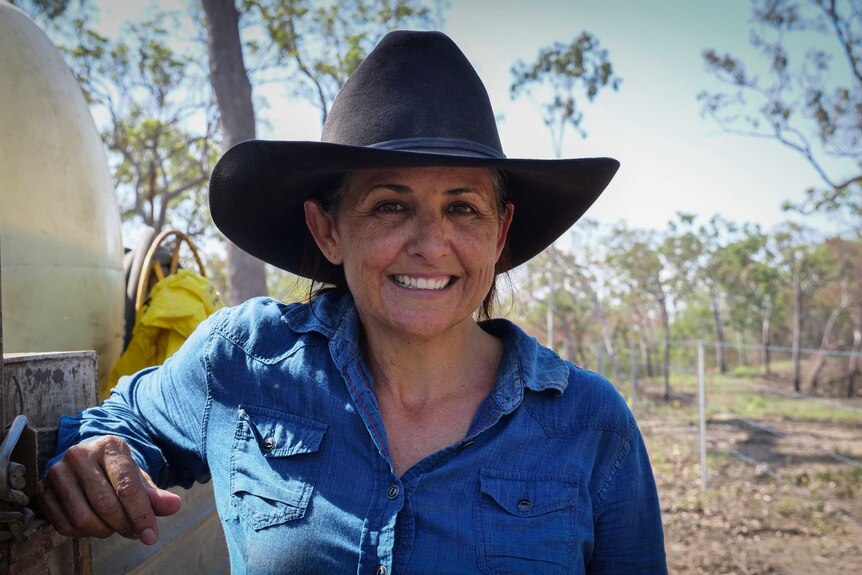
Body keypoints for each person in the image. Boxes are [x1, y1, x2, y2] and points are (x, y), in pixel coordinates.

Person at [39, 30, 667, 574]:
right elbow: (120, 425)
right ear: (329, 230)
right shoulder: (243, 362)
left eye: (463, 208)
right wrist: (96, 456)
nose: (430, 243)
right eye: (390, 205)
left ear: (499, 235)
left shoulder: (590, 425)